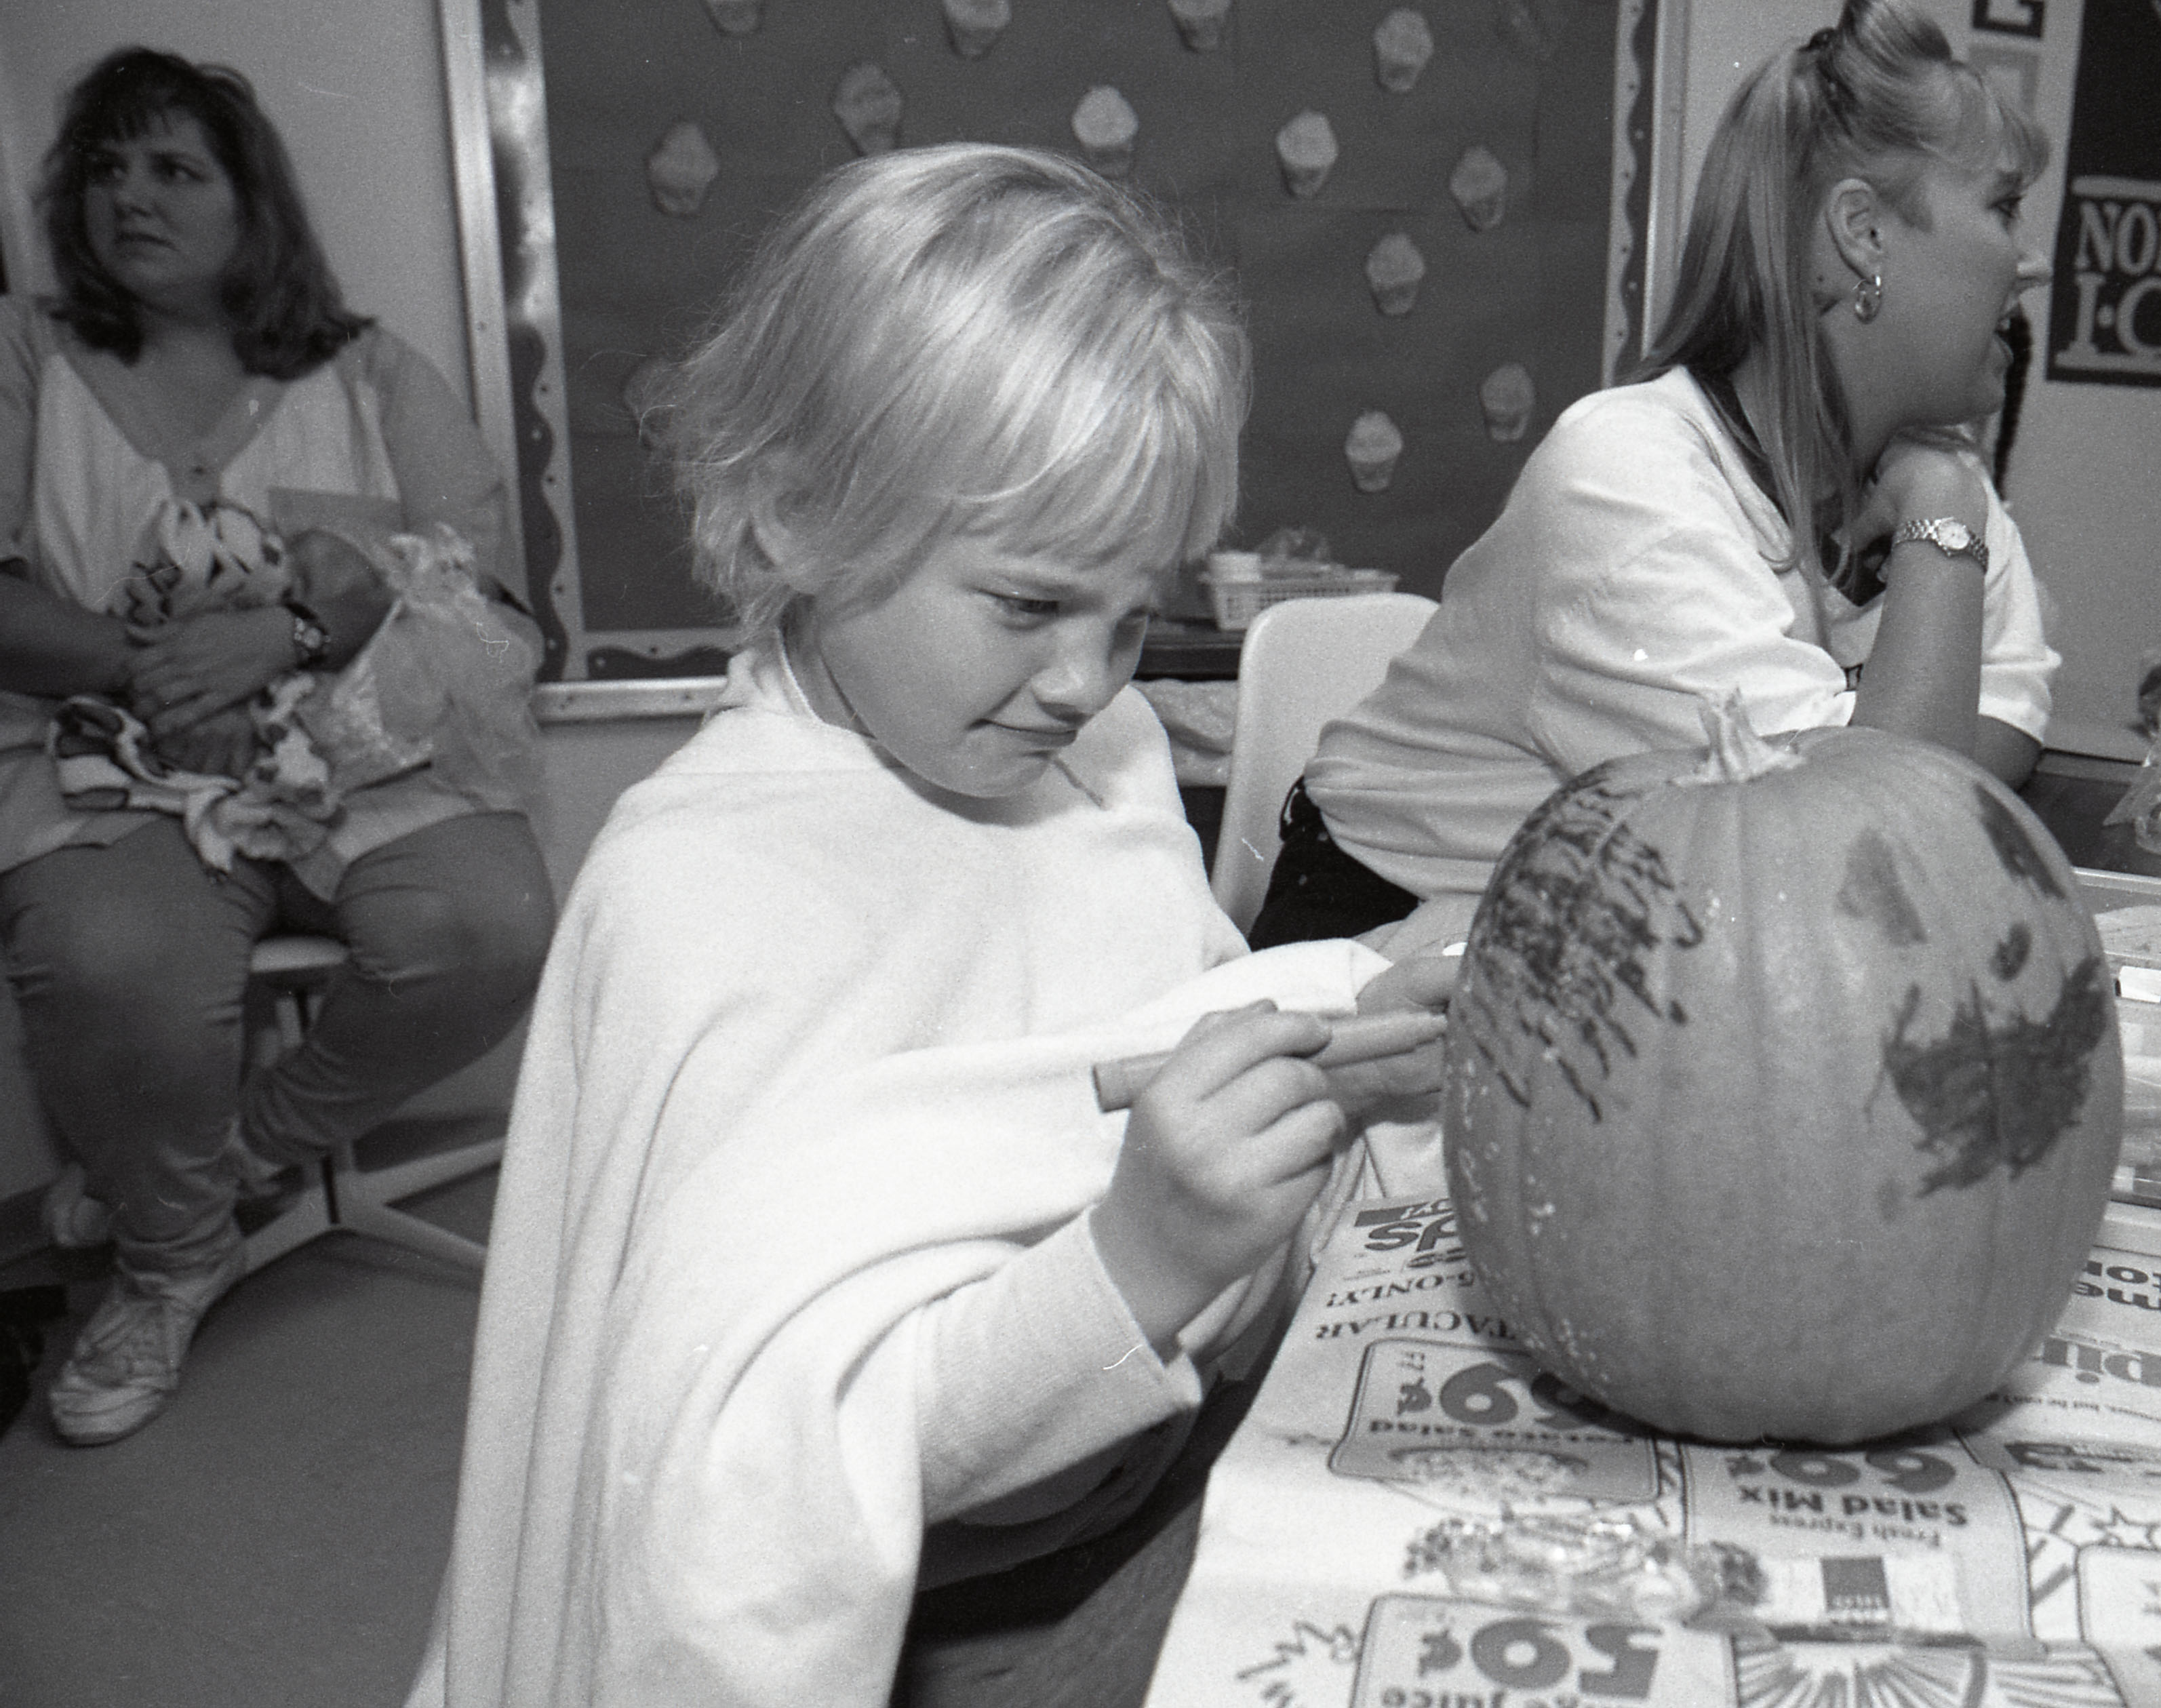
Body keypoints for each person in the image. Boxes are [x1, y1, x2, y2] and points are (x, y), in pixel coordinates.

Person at [408, 144, 1453, 1708]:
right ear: (784, 525)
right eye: (1028, 606)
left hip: (1179, 1473)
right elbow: (771, 1487)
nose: (1088, 681)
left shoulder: (1095, 761)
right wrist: (1142, 1258)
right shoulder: (696, 896)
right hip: (934, 1617)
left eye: (1131, 612)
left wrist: (1336, 1031)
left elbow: (1131, 1047)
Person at [0, 47, 555, 1446]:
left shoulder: (368, 369)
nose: (130, 196)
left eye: (173, 169)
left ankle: (220, 1173)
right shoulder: (26, 357)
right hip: (118, 766)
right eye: (106, 171)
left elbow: (482, 593)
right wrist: (156, 660)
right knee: (110, 953)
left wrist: (294, 634)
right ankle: (170, 1261)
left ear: (255, 205)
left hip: (371, 762)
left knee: (489, 928)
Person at [1255, 0, 2060, 951]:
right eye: (2004, 207)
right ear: (1862, 233)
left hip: (1661, 933)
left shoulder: (1939, 473)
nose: (2030, 263)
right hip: (1388, 941)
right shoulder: (1627, 480)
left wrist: (1888, 715)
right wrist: (1940, 518)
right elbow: (1867, 836)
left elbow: (1994, 737)